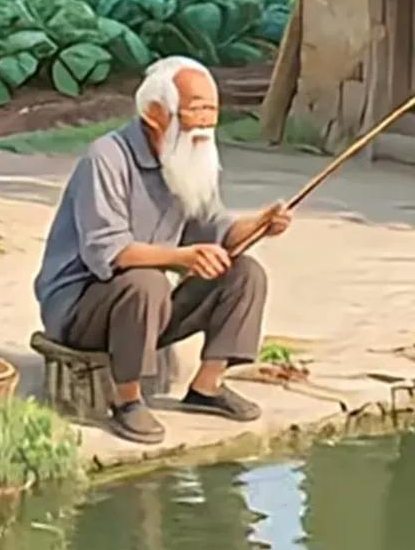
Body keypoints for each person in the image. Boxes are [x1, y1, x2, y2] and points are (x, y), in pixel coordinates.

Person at [34, 56, 291, 446]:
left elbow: (217, 228)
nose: (205, 122)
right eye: (195, 111)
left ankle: (207, 387)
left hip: (144, 311)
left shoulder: (188, 158)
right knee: (146, 281)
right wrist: (183, 258)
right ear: (156, 114)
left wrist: (260, 225)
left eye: (211, 110)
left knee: (245, 273)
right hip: (80, 311)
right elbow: (108, 252)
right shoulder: (107, 157)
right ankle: (127, 401)